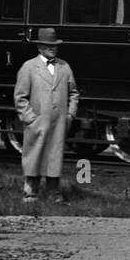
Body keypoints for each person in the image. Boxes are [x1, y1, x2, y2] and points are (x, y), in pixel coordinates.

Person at [14, 28, 80, 203]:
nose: (52, 48)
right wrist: (30, 119)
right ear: (39, 47)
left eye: (54, 46)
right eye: (47, 45)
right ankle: (30, 193)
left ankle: (54, 193)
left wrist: (70, 116)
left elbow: (74, 93)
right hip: (37, 122)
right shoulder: (29, 67)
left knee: (54, 157)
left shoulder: (64, 67)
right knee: (34, 156)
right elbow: (20, 97)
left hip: (59, 123)